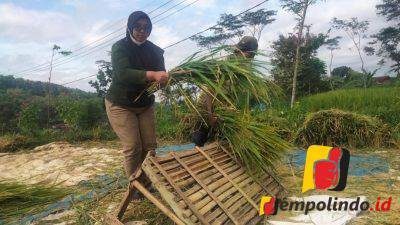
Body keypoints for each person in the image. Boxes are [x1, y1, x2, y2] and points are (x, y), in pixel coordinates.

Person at [105, 11, 168, 181]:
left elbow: (160, 74)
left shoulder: (155, 51)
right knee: (133, 146)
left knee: (149, 147)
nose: (142, 31)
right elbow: (123, 74)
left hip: (144, 104)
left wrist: (163, 80)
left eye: (146, 28)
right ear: (130, 27)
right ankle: (134, 188)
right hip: (120, 103)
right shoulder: (120, 47)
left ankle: (147, 182)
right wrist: (152, 75)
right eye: (138, 27)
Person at [191, 36, 259, 147]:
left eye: (249, 55)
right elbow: (209, 91)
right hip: (208, 106)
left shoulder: (247, 71)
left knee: (224, 143)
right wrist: (210, 115)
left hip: (225, 111)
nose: (243, 56)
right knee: (199, 137)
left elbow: (242, 97)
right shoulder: (223, 67)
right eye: (240, 52)